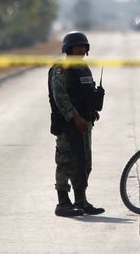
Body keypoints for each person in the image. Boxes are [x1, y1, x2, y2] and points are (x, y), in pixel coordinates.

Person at [48, 31, 105, 217]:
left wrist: (91, 111)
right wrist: (75, 117)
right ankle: (63, 202)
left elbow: (85, 91)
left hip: (84, 123)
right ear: (68, 48)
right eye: (77, 46)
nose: (81, 49)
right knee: (65, 162)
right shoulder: (61, 68)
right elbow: (60, 96)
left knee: (84, 163)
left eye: (83, 46)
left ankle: (81, 200)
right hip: (67, 124)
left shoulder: (83, 68)